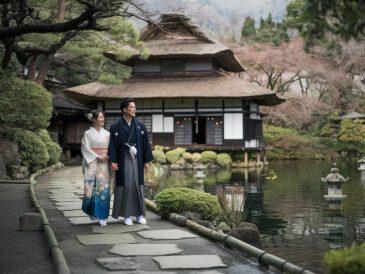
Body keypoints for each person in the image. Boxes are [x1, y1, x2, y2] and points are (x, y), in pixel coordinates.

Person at [108, 98, 154, 225]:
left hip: (137, 160)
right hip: (123, 159)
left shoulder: (140, 126)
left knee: (138, 186)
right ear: (124, 109)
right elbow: (112, 145)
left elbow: (145, 145)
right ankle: (126, 215)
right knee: (126, 185)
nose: (134, 109)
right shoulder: (115, 126)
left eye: (135, 107)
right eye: (132, 107)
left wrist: (146, 160)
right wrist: (113, 161)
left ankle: (139, 215)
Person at [81, 110, 111, 226]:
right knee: (92, 188)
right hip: (92, 163)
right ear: (93, 119)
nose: (102, 119)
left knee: (103, 189)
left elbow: (111, 148)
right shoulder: (87, 134)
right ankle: (92, 212)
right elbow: (85, 148)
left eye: (103, 117)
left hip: (104, 163)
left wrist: (107, 157)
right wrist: (98, 156)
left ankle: (102, 216)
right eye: (99, 117)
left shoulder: (107, 134)